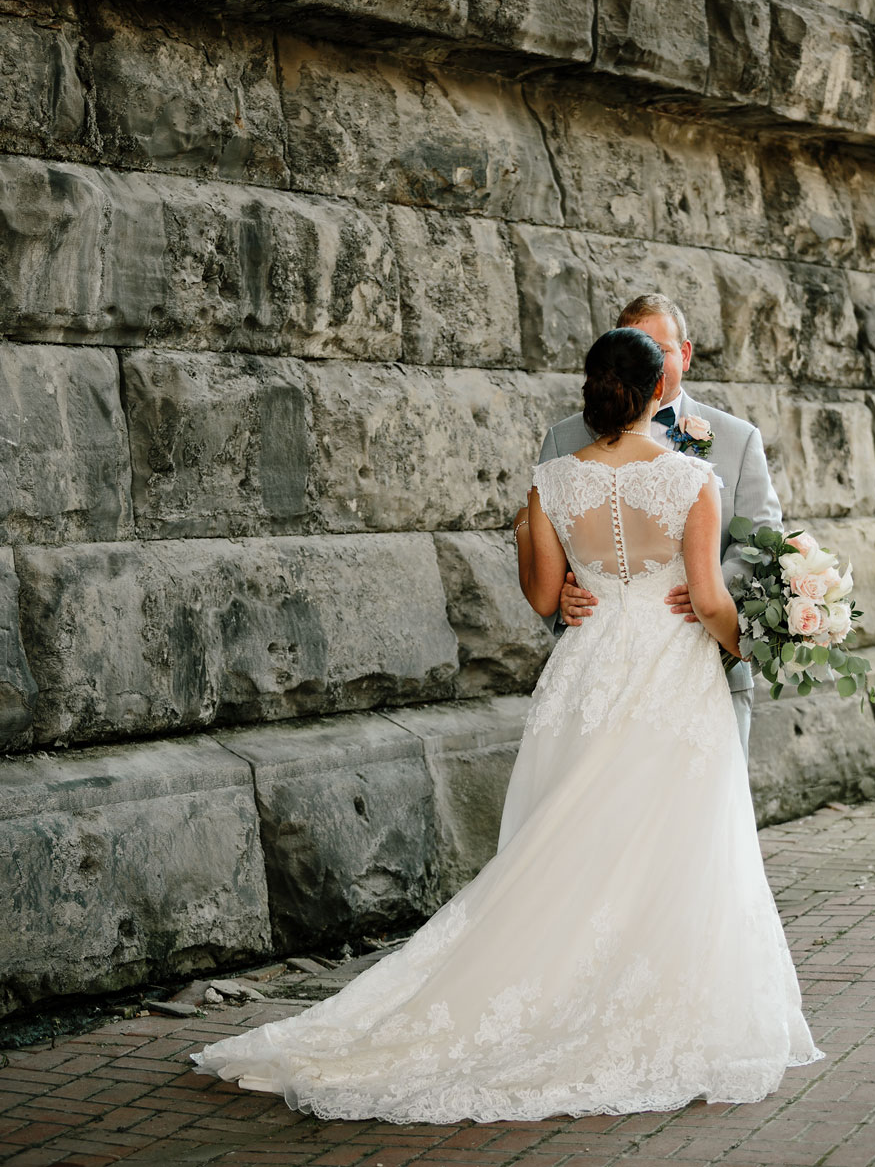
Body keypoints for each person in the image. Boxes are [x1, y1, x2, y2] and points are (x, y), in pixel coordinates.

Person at [190, 327, 820, 1122]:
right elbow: (708, 600)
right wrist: (757, 644)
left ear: (594, 392)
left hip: (588, 673)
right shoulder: (693, 480)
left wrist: (578, 593)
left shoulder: (551, 482)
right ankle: (642, 997)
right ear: (660, 391)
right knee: (674, 840)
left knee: (574, 839)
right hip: (671, 675)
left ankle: (563, 984)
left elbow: (544, 597)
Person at [538, 293, 782, 761]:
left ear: (684, 354)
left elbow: (762, 542)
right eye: (636, 347)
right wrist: (562, 596)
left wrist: (710, 596)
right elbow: (551, 537)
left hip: (709, 670)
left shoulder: (736, 439)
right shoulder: (564, 439)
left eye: (662, 350)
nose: (647, 363)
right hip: (600, 679)